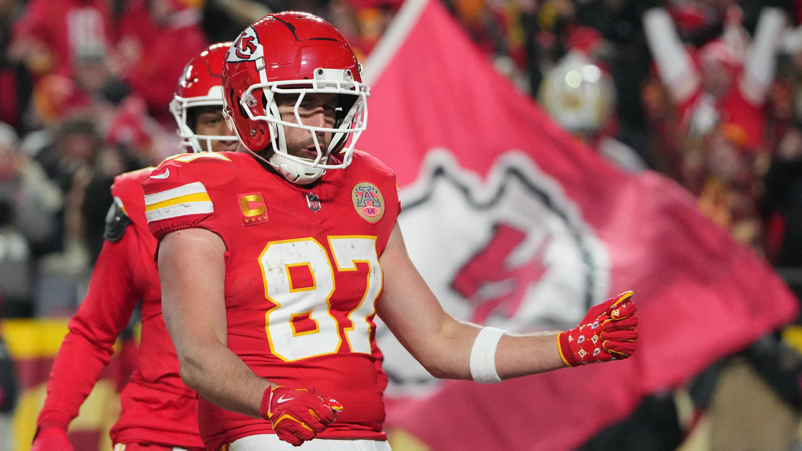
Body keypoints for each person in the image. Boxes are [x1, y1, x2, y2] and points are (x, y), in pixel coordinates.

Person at [144, 12, 639, 451]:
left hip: (364, 436)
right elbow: (199, 355)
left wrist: (566, 346)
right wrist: (270, 398)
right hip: (263, 432)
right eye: (304, 103)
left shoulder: (365, 187)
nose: (325, 122)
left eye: (333, 104)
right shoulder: (202, 188)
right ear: (250, 105)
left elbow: (441, 340)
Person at [30, 42, 238, 451]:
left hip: (272, 430)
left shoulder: (306, 200)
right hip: (163, 432)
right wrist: (53, 424)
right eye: (213, 119)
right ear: (187, 122)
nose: (228, 135)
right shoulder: (145, 201)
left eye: (239, 119)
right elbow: (94, 329)